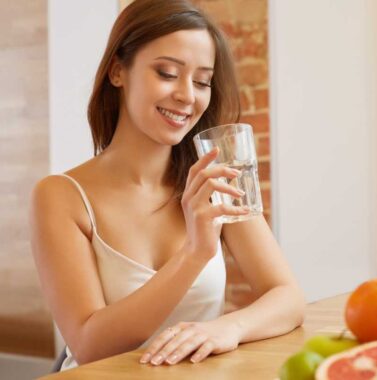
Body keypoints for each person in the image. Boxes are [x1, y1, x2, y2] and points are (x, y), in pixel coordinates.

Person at [29, 0, 305, 371]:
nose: (187, 95)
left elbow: (288, 297)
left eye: (202, 81)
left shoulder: (215, 179)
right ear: (117, 71)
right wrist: (194, 253)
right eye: (167, 73)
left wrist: (228, 328)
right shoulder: (60, 197)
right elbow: (90, 344)